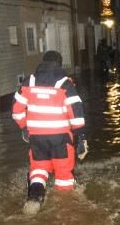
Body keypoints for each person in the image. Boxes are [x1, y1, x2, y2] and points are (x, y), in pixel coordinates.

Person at [12, 51, 88, 210]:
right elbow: (76, 113)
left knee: (39, 169)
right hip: (60, 139)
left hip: (37, 138)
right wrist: (81, 138)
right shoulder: (65, 84)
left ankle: (34, 198)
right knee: (63, 174)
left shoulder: (29, 82)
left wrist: (24, 127)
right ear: (59, 64)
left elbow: (16, 110)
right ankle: (64, 209)